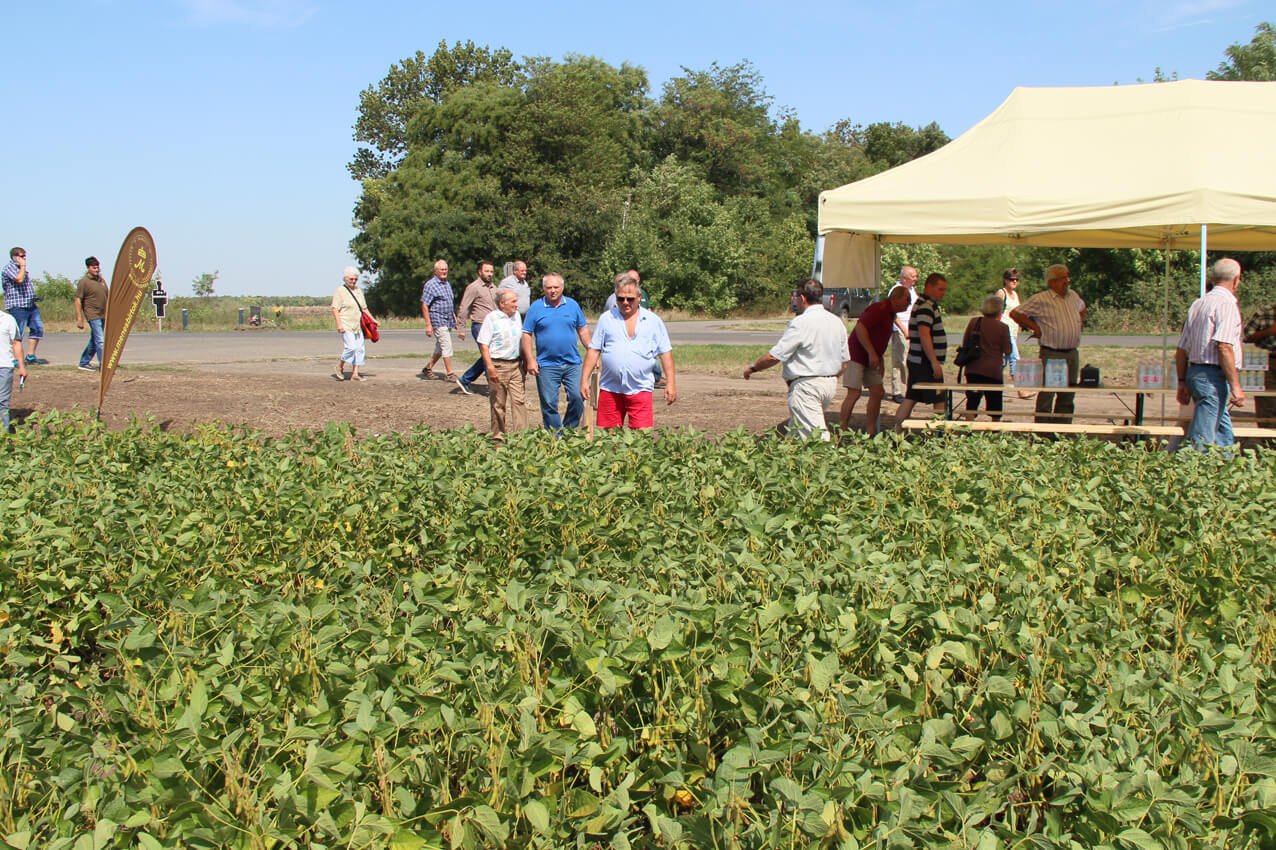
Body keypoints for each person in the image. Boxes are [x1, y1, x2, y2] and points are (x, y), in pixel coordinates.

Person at [743, 279, 849, 441]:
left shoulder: (800, 323)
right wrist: (829, 377)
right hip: (829, 384)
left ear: (803, 298)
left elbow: (774, 356)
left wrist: (753, 368)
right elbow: (844, 362)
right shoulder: (837, 322)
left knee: (817, 439)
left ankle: (831, 456)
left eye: (796, 297)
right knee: (795, 434)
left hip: (807, 386)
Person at [580, 273, 676, 429]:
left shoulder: (653, 321)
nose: (625, 302)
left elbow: (665, 353)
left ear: (639, 297)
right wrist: (584, 380)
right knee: (609, 437)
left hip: (641, 388)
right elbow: (593, 350)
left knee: (641, 437)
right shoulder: (606, 319)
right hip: (610, 388)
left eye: (630, 299)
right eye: (620, 299)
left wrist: (670, 384)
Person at [1174, 258, 1246, 449]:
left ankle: (1225, 462)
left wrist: (1182, 381)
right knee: (1202, 438)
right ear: (1236, 280)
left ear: (1213, 278)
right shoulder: (1227, 305)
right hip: (1213, 376)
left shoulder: (1199, 303)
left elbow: (1181, 349)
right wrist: (1236, 386)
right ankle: (1189, 463)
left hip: (1195, 372)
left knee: (1222, 432)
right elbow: (1224, 347)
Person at [1010, 263, 1086, 424]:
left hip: (1072, 352)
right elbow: (1016, 313)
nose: (1066, 282)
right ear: (1051, 282)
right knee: (1048, 392)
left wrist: (1078, 323)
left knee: (1068, 393)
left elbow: (1082, 308)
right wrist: (1035, 327)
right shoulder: (1041, 299)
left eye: (1067, 278)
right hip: (1052, 353)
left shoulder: (1073, 296)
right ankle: (1043, 430)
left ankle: (1062, 428)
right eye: (1062, 279)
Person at [521, 273, 591, 431]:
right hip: (547, 364)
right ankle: (555, 436)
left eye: (556, 287)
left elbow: (583, 330)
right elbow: (526, 334)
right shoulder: (536, 307)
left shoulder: (572, 305)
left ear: (562, 288)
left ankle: (568, 431)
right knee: (549, 402)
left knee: (578, 397)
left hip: (572, 362)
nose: (553, 290)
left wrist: (591, 351)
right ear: (544, 289)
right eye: (549, 287)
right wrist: (530, 360)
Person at [839, 285, 911, 435]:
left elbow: (879, 339)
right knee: (854, 393)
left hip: (872, 358)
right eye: (907, 299)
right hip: (857, 355)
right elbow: (860, 328)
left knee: (878, 392)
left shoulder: (891, 314)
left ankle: (871, 431)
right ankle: (842, 430)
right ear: (896, 298)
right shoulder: (879, 309)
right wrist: (871, 352)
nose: (908, 303)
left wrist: (879, 359)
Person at [894, 273, 950, 426]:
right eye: (940, 289)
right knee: (939, 397)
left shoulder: (923, 303)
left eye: (944, 290)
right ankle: (939, 432)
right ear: (929, 287)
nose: (943, 293)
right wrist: (934, 362)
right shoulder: (926, 306)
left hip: (918, 360)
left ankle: (898, 430)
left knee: (911, 397)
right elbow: (924, 335)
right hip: (924, 362)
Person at [477, 288, 527, 438]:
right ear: (502, 303)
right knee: (498, 403)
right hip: (498, 365)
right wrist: (490, 367)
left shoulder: (516, 316)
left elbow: (521, 341)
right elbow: (484, 345)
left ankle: (522, 436)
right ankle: (498, 435)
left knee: (519, 401)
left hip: (516, 365)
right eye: (513, 301)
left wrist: (525, 361)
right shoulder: (491, 318)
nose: (517, 304)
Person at [604, 270, 663, 386]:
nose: (625, 302)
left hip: (642, 331)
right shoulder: (613, 300)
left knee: (649, 355)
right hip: (623, 336)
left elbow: (648, 309)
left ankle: (655, 377)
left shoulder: (642, 293)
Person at [960, 294, 1014, 420]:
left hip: (973, 368)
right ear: (1000, 310)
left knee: (972, 402)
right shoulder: (1003, 327)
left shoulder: (974, 322)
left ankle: (968, 427)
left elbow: (965, 342)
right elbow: (1008, 350)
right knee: (995, 404)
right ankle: (994, 428)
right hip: (993, 371)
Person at [456, 261, 499, 395]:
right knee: (488, 355)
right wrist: (461, 328)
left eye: (491, 271)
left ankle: (465, 379)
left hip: (493, 326)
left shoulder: (494, 288)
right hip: (479, 325)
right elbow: (464, 307)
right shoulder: (473, 287)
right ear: (480, 272)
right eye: (487, 271)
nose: (489, 274)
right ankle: (492, 387)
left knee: (489, 355)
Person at [421, 260, 462, 381]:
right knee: (446, 344)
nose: (444, 272)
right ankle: (450, 373)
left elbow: (448, 303)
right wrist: (428, 325)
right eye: (442, 269)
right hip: (437, 319)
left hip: (447, 319)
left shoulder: (447, 284)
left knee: (440, 347)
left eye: (446, 269)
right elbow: (424, 305)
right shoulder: (431, 285)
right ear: (436, 271)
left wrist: (454, 318)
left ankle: (428, 368)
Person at [331, 266, 374, 381]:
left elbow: (364, 308)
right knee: (351, 347)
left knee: (360, 349)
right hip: (346, 324)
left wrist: (373, 320)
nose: (353, 281)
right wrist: (339, 324)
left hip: (358, 325)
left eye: (355, 279)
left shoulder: (358, 291)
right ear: (345, 278)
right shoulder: (340, 291)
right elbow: (335, 308)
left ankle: (355, 373)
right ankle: (339, 366)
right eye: (351, 279)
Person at [996, 267, 1034, 399]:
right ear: (1005, 280)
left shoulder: (1015, 294)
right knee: (1015, 360)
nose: (1014, 282)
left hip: (1013, 332)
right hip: (1003, 332)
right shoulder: (1001, 293)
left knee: (1001, 363)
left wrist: (1027, 325)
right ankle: (1021, 390)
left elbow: (1018, 313)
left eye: (1017, 279)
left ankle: (987, 387)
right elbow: (994, 312)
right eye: (1012, 279)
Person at [2, 247, 43, 365]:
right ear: (14, 257)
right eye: (21, 256)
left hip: (30, 305)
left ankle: (30, 356)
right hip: (18, 306)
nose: (24, 258)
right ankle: (15, 359)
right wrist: (23, 266)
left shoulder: (22, 269)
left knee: (37, 329)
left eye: (25, 256)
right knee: (17, 333)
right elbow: (19, 279)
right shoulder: (9, 268)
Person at [886, 266, 919, 401]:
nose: (915, 279)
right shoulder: (896, 291)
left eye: (916, 276)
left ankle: (908, 390)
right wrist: (903, 330)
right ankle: (898, 391)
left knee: (909, 360)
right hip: (901, 330)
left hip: (911, 329)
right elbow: (893, 314)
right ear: (904, 278)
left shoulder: (911, 290)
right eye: (913, 277)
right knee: (900, 360)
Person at [1244, 300, 1276, 428]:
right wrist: (1269, 331)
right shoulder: (1265, 312)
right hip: (1268, 362)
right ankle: (1267, 435)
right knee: (1267, 400)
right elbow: (1247, 336)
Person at [74, 256, 108, 372]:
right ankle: (104, 365)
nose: (96, 269)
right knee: (100, 340)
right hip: (92, 314)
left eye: (97, 267)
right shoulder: (84, 282)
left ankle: (84, 362)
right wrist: (79, 318)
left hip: (103, 314)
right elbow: (78, 299)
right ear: (88, 268)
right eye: (94, 268)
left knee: (95, 340)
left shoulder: (101, 281)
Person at [0, 305, 28, 432]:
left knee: (2, 402)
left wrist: (21, 366)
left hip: (5, 366)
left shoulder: (8, 319)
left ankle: (3, 435)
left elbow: (16, 343)